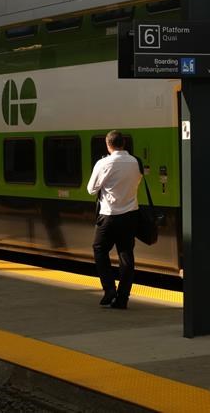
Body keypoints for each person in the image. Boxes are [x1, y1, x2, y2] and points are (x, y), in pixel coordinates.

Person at [87, 130, 141, 309]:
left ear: (108, 144)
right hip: (130, 215)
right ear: (123, 143)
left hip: (109, 216)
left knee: (99, 249)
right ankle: (123, 297)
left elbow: (91, 189)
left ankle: (109, 288)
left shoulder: (103, 163)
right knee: (126, 255)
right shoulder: (135, 162)